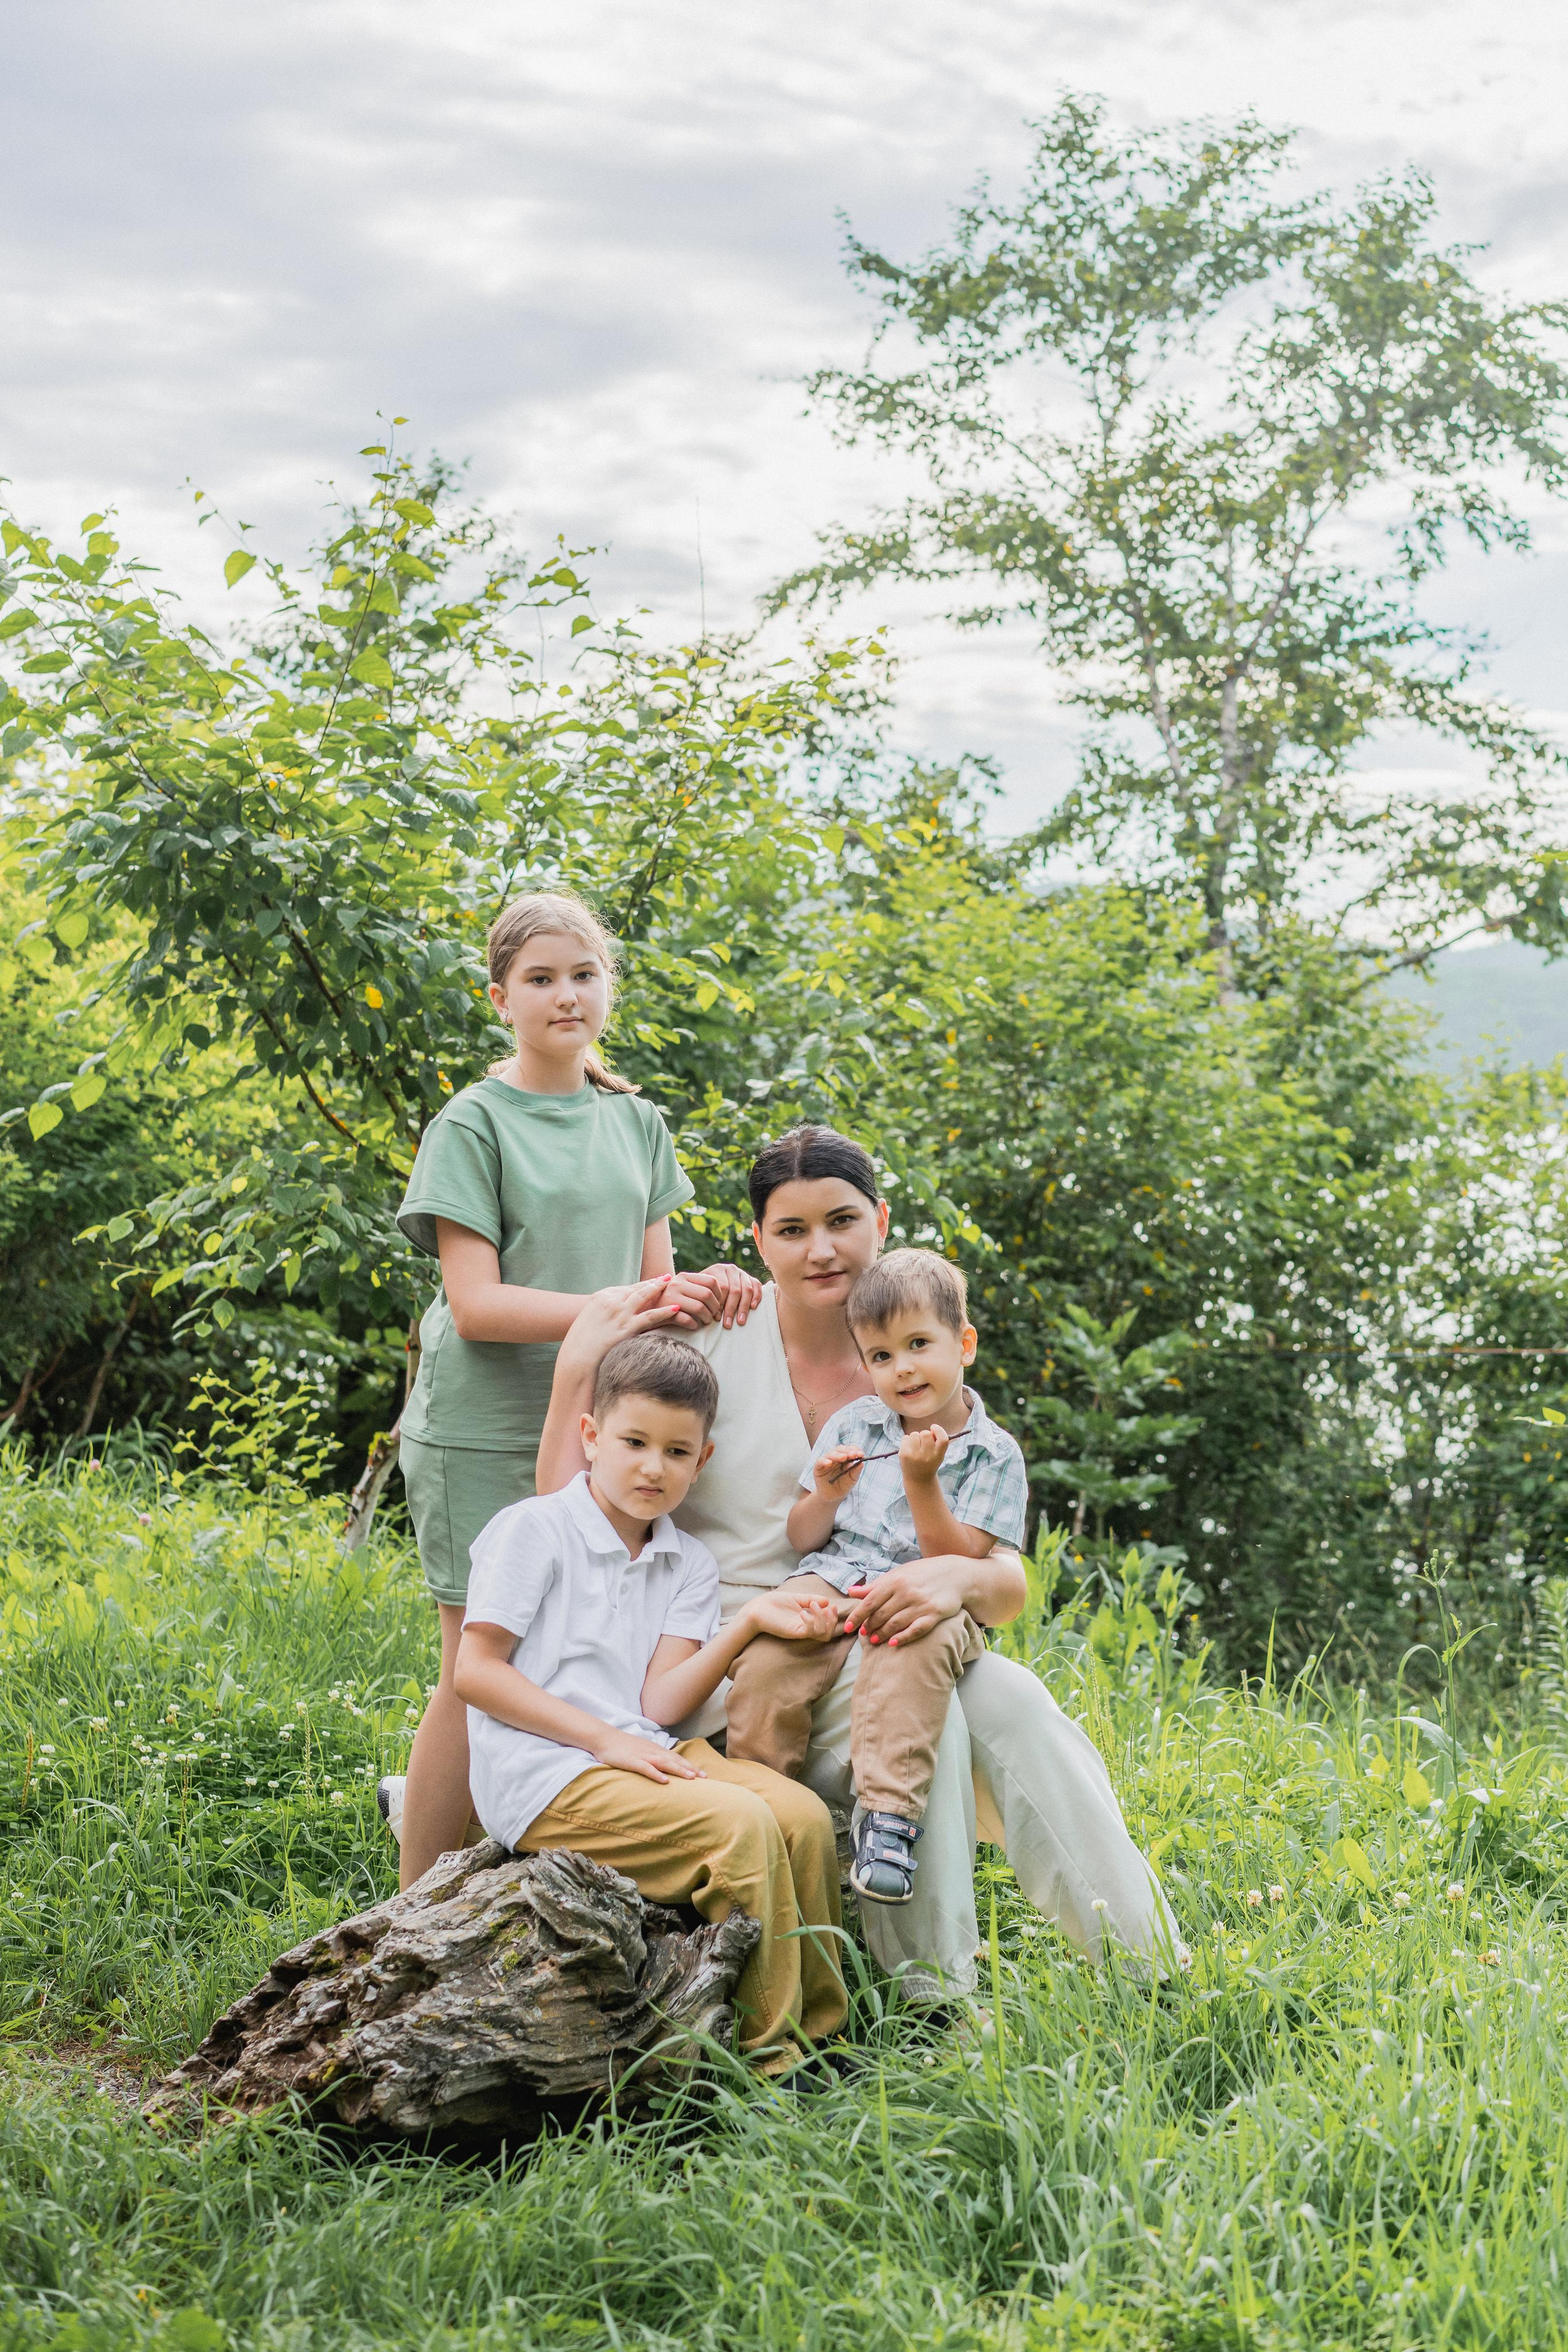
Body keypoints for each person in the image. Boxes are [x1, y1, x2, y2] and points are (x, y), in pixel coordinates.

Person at [535, 1125, 1185, 2003]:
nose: (822, 1249)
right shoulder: (711, 1339)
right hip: (741, 1653)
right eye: (792, 1230)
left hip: (885, 1617)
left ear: (880, 1220)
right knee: (936, 1712)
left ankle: (1152, 1968)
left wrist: (949, 1579)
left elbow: (1001, 1586)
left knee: (1016, 1701)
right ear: (757, 1241)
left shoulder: (919, 1356)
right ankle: (936, 2000)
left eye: (842, 1220)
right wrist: (577, 1364)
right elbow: (577, 1507)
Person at [388, 889, 760, 1887]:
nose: (566, 996)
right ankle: (412, 1900)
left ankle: (528, 1863)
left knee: (582, 1648)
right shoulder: (471, 1123)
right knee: (477, 1671)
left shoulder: (636, 1124)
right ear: (500, 996)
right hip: (482, 1428)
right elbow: (475, 1306)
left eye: (584, 976)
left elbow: (657, 1298)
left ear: (608, 989)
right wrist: (623, 1301)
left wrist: (709, 1289)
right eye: (542, 979)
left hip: (606, 1432)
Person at [454, 1330, 847, 2064]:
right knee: (741, 1827)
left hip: (643, 1747)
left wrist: (750, 1623)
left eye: (675, 1451)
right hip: (547, 1773)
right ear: (591, 1436)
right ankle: (773, 2059)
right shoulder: (533, 1530)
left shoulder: (685, 1561)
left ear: (701, 1461)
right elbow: (475, 1673)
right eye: (634, 1441)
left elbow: (660, 1702)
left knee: (800, 1818)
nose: (652, 1466)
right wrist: (606, 1742)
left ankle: (822, 2038)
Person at [726, 1248, 1026, 1908]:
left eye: (919, 1344)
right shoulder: (857, 1423)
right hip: (832, 1575)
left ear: (964, 1344)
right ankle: (752, 1806)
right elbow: (802, 1537)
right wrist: (828, 1495)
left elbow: (956, 1561)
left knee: (907, 1657)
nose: (902, 1368)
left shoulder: (993, 1454)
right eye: (882, 1356)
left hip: (922, 1596)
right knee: (770, 1654)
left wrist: (921, 1482)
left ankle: (890, 1824)